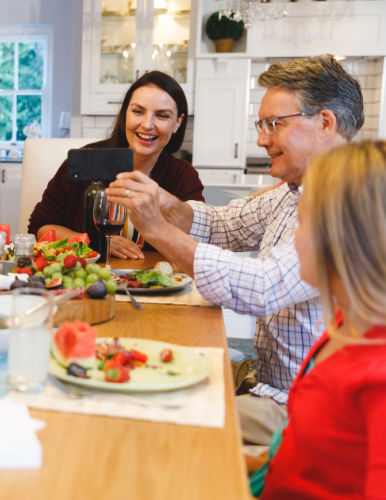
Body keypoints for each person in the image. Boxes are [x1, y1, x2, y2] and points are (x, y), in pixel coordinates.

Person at [106, 55, 363, 445]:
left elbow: (262, 286)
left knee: (154, 413)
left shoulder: (346, 201)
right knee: (150, 373)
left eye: (273, 124)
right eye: (261, 125)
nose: (261, 139)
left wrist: (156, 227)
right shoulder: (293, 191)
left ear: (324, 122)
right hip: (265, 378)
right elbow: (222, 225)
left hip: (301, 404)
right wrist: (164, 202)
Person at [248, 141, 386, 499]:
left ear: (344, 237)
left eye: (304, 221)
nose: (293, 234)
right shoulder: (347, 322)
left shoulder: (377, 375)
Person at [27, 71, 204, 260]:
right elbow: (40, 228)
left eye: (162, 115)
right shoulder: (87, 161)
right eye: (138, 111)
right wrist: (95, 243)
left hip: (154, 283)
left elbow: (198, 239)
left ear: (178, 123)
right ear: (125, 113)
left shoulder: (183, 176)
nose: (147, 124)